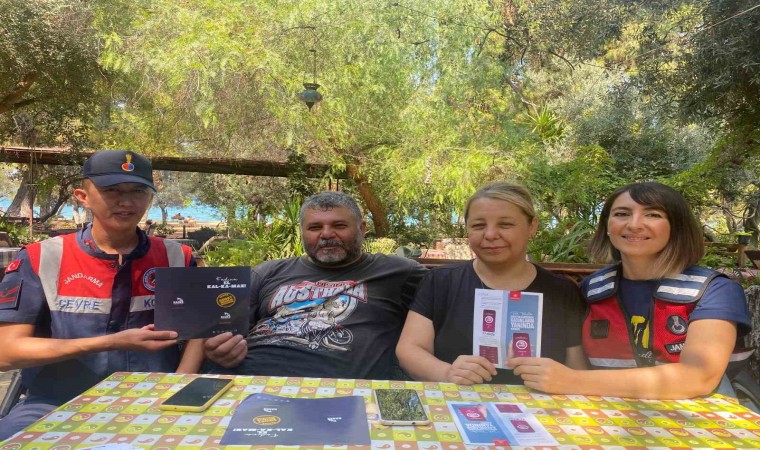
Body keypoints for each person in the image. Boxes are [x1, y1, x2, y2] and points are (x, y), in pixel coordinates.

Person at [0, 150, 203, 439]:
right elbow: (6, 352)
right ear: (83, 196)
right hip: (57, 401)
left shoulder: (178, 257)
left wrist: (179, 384)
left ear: (149, 198)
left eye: (138, 191)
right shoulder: (41, 258)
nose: (126, 202)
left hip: (154, 398)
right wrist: (109, 343)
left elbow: (199, 329)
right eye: (112, 190)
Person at [510, 181, 752, 399]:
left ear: (677, 227)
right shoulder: (589, 290)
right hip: (608, 421)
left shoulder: (715, 290)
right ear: (607, 226)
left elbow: (698, 377)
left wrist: (572, 381)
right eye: (622, 214)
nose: (634, 224)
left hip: (701, 423)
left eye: (653, 214)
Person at [203, 191, 426, 379]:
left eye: (339, 225)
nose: (326, 234)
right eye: (314, 227)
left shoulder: (399, 272)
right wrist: (220, 348)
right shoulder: (267, 272)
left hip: (343, 389)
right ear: (302, 231)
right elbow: (222, 329)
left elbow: (445, 293)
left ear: (362, 228)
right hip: (251, 379)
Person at [396, 182, 588, 385]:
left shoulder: (561, 291)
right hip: (456, 401)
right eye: (478, 226)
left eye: (505, 224)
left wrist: (562, 378)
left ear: (532, 226)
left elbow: (576, 367)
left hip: (540, 403)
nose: (490, 235)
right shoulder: (441, 281)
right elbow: (409, 349)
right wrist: (447, 373)